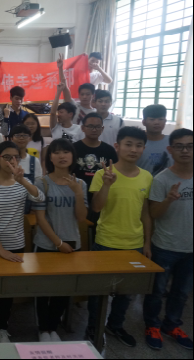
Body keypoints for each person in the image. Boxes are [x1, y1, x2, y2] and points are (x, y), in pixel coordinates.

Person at [86, 127, 153, 347]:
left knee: (126, 293)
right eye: (128, 144)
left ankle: (115, 325)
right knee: (98, 291)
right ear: (117, 146)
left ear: (143, 148)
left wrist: (147, 243)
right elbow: (96, 208)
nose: (133, 149)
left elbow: (145, 213)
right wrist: (107, 184)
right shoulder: (103, 174)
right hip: (106, 241)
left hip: (134, 244)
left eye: (139, 145)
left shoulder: (147, 176)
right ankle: (93, 326)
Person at [0, 141, 45, 344]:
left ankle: (2, 327)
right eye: (6, 157)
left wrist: (22, 180)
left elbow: (39, 198)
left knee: (8, 290)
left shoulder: (21, 182)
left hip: (15, 244)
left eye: (15, 157)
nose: (11, 161)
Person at [33, 139, 88, 343]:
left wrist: (78, 193)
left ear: (73, 156)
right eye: (56, 152)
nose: (61, 156)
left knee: (63, 290)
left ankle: (53, 327)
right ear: (50, 157)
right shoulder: (42, 182)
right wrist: (58, 243)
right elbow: (40, 219)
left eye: (66, 151)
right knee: (43, 289)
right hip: (46, 244)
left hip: (72, 244)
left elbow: (81, 218)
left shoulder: (80, 184)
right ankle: (42, 329)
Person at [143, 128, 193, 351]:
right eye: (180, 146)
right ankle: (152, 325)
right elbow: (153, 214)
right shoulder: (162, 179)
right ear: (170, 149)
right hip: (165, 246)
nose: (185, 151)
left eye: (190, 146)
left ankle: (172, 325)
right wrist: (168, 200)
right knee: (156, 291)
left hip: (191, 248)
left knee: (181, 293)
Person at [73, 112, 118, 223]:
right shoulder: (73, 148)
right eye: (90, 126)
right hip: (77, 195)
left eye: (98, 127)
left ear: (102, 129)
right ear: (83, 128)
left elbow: (115, 173)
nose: (94, 130)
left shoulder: (109, 150)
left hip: (101, 195)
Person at [57, 54, 96, 125]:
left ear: (93, 96)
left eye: (87, 94)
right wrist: (60, 68)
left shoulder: (95, 113)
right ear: (79, 95)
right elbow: (64, 86)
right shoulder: (74, 106)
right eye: (82, 94)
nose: (84, 97)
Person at [138, 104, 173, 176]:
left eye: (161, 119)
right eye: (152, 119)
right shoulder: (137, 143)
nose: (157, 122)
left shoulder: (172, 142)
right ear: (144, 122)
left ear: (165, 121)